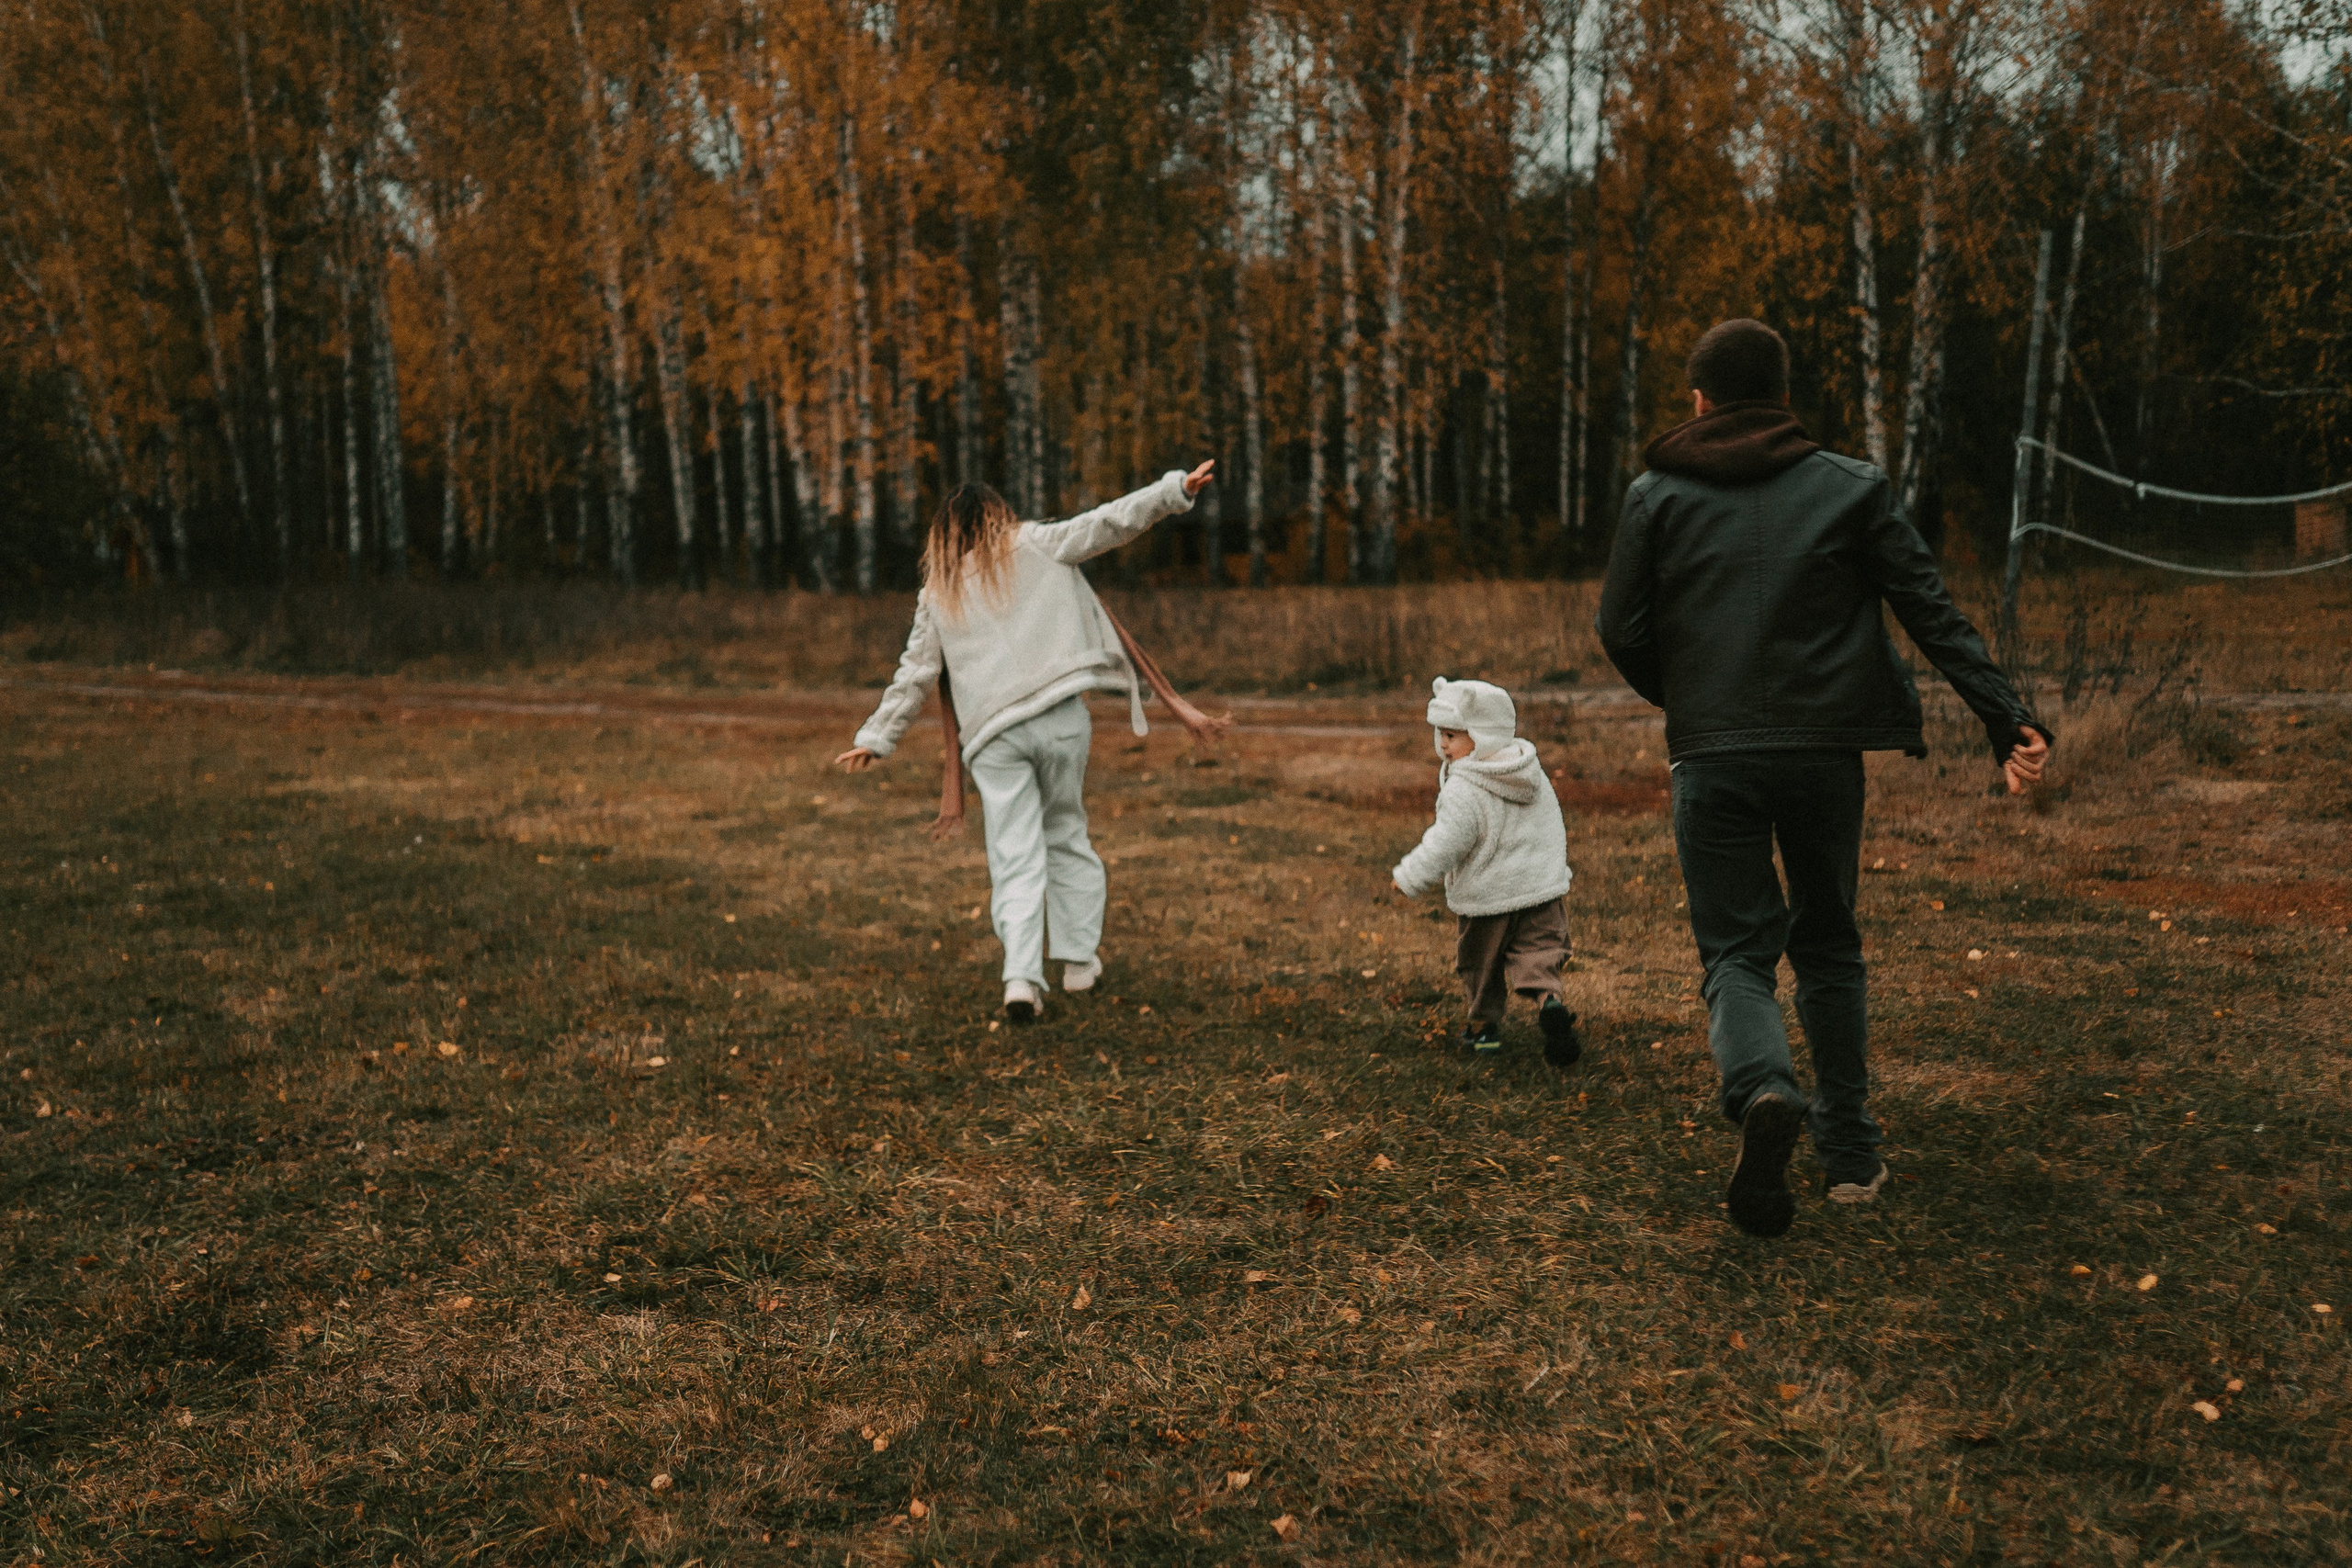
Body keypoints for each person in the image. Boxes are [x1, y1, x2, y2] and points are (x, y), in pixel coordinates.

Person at [1596, 318, 2050, 1239]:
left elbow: (1621, 630)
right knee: (1830, 943)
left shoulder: (1655, 495)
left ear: (1698, 400)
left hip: (1711, 758)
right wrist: (2007, 717)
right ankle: (1850, 1154)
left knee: (1735, 953)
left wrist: (1690, 701)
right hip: (1821, 758)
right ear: (1784, 398)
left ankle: (1764, 1087)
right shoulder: (1852, 488)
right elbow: (1929, 609)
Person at [835, 463, 1216, 1021]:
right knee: (1066, 831)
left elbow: (914, 674)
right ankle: (1080, 962)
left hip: (993, 736)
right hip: (1060, 718)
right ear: (997, 514)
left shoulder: (937, 592)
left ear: (944, 533)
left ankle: (1020, 978)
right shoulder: (1037, 543)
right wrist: (1172, 492)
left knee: (1014, 855)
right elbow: (1107, 523)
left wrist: (876, 737)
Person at [1391, 677, 1584, 1064]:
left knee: (1480, 964)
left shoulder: (1466, 787)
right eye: (1441, 734)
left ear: (1483, 735)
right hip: (1539, 892)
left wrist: (1410, 876)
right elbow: (1550, 824)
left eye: (1453, 735)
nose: (1443, 744)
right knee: (1539, 955)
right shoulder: (1526, 769)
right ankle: (1550, 1003)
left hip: (1488, 898)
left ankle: (1483, 1030)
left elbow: (1446, 842)